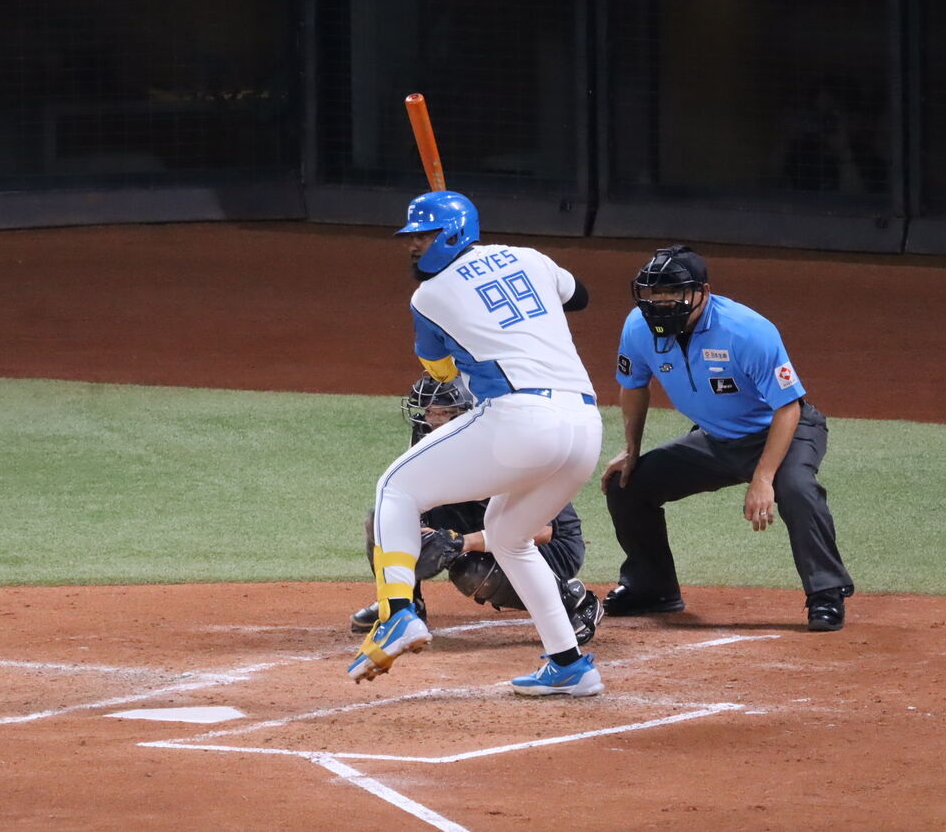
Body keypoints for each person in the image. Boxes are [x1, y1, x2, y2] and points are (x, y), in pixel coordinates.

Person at [348, 190, 605, 696]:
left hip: (521, 420)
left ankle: (397, 612)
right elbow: (580, 297)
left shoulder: (429, 297)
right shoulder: (530, 257)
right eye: (411, 237)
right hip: (585, 426)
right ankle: (569, 665)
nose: (412, 246)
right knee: (508, 536)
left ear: (451, 234)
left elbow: (441, 371)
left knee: (395, 488)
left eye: (424, 236)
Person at [601, 245, 855, 631]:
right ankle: (653, 588)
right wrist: (631, 449)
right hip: (715, 440)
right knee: (627, 484)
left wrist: (764, 477)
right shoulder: (639, 327)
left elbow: (788, 408)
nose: (663, 303)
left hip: (783, 431)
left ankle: (826, 593)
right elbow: (634, 385)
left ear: (703, 292)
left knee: (796, 488)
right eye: (656, 293)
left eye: (674, 293)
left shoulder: (746, 331)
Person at [348, 374, 604, 645]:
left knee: (472, 570)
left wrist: (463, 542)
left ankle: (571, 601)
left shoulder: (505, 447)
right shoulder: (429, 442)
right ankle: (403, 606)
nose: (432, 421)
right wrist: (423, 533)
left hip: (549, 546)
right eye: (429, 411)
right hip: (478, 525)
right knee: (385, 521)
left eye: (444, 413)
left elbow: (542, 531)